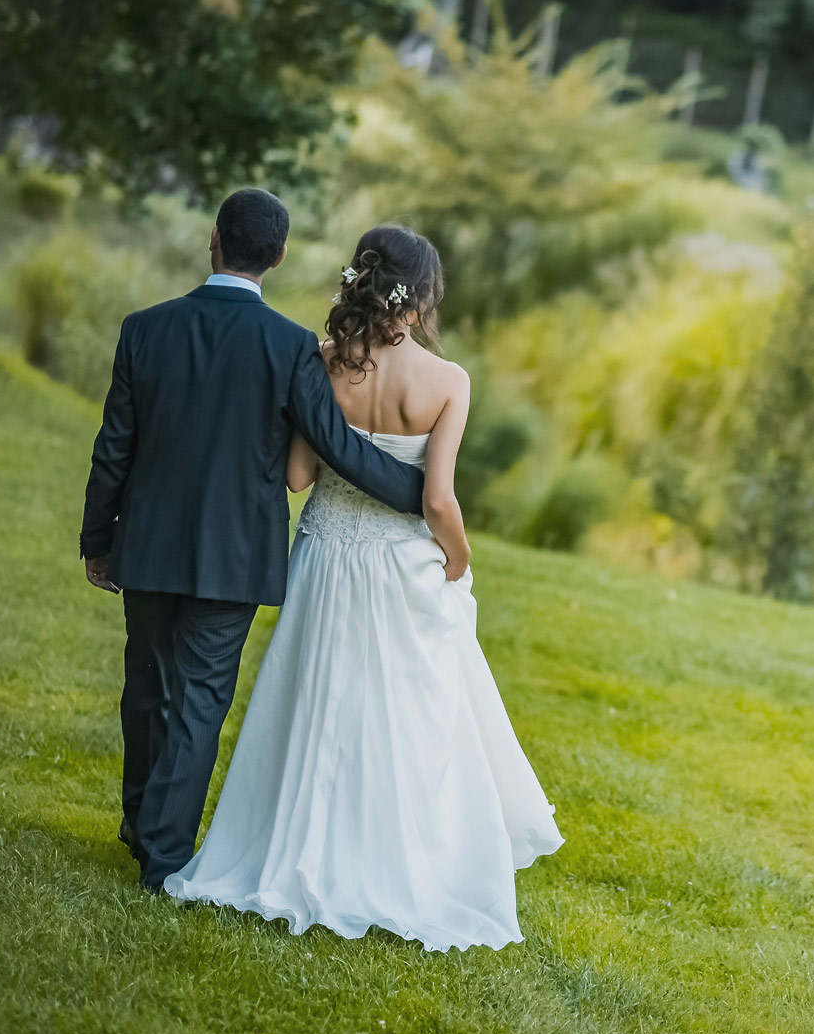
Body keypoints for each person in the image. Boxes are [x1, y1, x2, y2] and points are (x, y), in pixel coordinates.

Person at [162, 225, 562, 948]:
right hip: (400, 563)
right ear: (421, 298)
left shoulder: (321, 364)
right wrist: (460, 558)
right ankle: (396, 862)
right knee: (404, 714)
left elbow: (297, 477)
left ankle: (294, 850)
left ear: (360, 281)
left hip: (326, 552)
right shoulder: (447, 382)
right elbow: (438, 500)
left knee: (315, 704)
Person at [80, 189, 432, 893]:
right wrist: (420, 495)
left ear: (213, 239)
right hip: (237, 555)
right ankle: (164, 856)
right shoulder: (289, 346)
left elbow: (113, 447)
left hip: (146, 544)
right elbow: (335, 447)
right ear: (278, 256)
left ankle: (139, 822)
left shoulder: (144, 329)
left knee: (146, 685)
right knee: (201, 698)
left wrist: (99, 539)